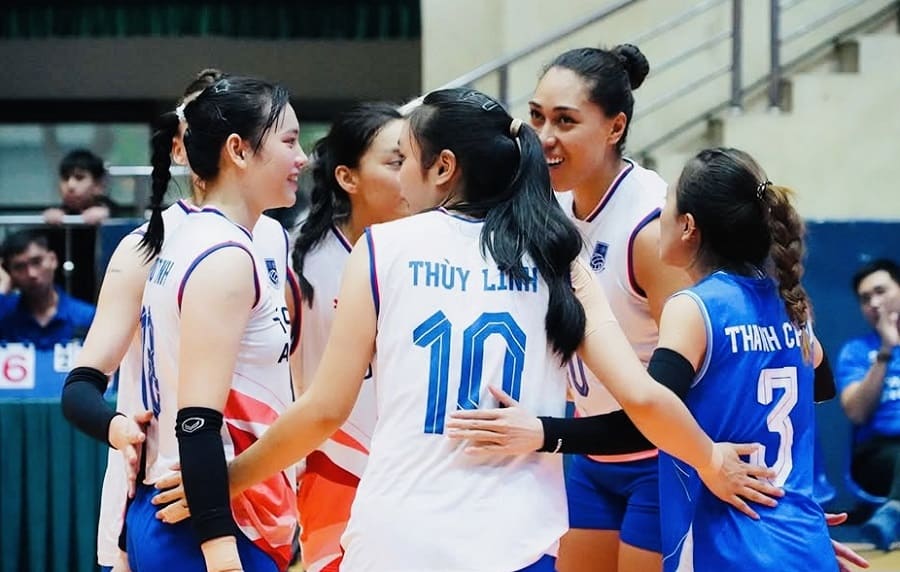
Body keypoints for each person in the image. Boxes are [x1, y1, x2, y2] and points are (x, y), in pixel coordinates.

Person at [220, 88, 777, 572]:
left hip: (398, 534)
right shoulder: (557, 256)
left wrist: (229, 479)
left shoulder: (382, 248)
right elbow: (643, 397)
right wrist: (710, 459)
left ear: (443, 168)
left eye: (406, 158)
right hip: (516, 541)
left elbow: (323, 410)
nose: (400, 174)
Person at [62, 74, 305, 572]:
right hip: (188, 496)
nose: (302, 157)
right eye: (289, 140)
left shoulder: (263, 237)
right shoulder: (178, 246)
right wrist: (118, 428)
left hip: (243, 496)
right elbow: (196, 420)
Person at [526, 43, 689, 572]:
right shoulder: (547, 207)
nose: (544, 137)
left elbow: (699, 373)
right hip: (591, 453)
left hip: (662, 458)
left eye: (565, 121)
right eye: (536, 117)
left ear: (615, 127)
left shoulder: (651, 227)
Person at [290, 102, 439, 572]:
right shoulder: (301, 262)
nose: (412, 172)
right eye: (395, 162)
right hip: (336, 466)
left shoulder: (440, 252)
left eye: (416, 158)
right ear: (347, 178)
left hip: (425, 470)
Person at [837, 258, 900, 550]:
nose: (874, 303)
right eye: (865, 299)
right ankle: (894, 512)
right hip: (876, 454)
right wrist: (886, 350)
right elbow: (857, 412)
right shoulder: (856, 351)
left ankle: (895, 511)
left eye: (880, 291)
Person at [0, 229, 95, 349]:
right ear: (9, 272)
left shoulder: (86, 316)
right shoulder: (4, 313)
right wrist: (3, 286)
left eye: (37, 262)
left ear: (53, 260)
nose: (31, 273)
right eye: (19, 267)